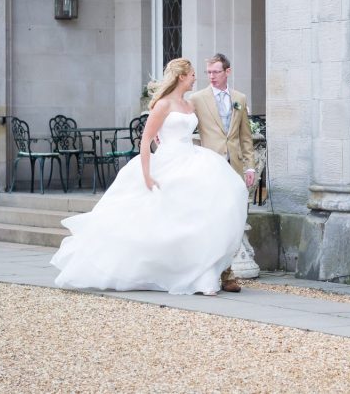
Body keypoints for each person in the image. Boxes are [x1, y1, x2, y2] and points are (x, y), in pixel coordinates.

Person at [51, 58, 248, 295]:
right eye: (193, 74)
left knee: (200, 216)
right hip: (167, 161)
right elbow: (146, 139)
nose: (197, 78)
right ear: (182, 76)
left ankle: (202, 274)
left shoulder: (189, 104)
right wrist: (146, 174)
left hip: (192, 158)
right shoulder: (162, 105)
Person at [190, 52, 256, 293]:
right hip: (210, 167)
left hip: (234, 167)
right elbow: (180, 118)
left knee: (233, 220)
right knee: (212, 219)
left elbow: (245, 136)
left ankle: (228, 271)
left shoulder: (239, 98)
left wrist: (249, 166)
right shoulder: (197, 98)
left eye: (216, 72)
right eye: (208, 72)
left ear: (227, 72)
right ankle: (221, 274)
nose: (211, 76)